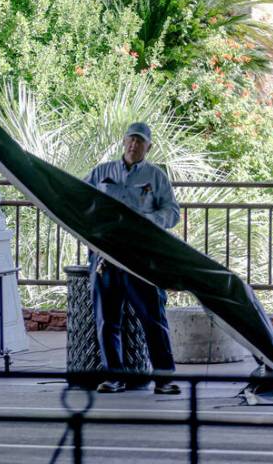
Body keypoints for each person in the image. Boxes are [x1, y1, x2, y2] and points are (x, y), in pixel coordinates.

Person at [85, 122, 181, 395]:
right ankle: (114, 377)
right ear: (123, 141)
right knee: (107, 320)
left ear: (148, 147)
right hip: (106, 259)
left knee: (153, 318)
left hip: (142, 260)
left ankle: (164, 379)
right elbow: (79, 201)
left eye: (140, 141)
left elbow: (172, 212)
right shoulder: (102, 172)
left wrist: (148, 220)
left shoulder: (156, 176)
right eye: (130, 140)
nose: (133, 145)